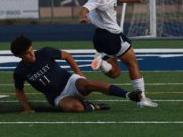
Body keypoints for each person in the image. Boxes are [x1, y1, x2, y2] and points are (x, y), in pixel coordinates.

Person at [79, 0, 158, 108]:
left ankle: (102, 63)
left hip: (99, 37)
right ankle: (142, 100)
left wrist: (136, 0)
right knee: (132, 63)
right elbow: (85, 7)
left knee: (114, 73)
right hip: (112, 36)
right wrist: (83, 16)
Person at [10, 35, 142, 113]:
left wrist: (79, 74)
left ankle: (128, 95)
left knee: (87, 83)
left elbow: (67, 56)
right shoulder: (20, 71)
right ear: (19, 56)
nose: (31, 54)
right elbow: (19, 90)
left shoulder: (45, 52)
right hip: (56, 97)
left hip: (70, 82)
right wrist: (27, 108)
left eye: (31, 50)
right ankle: (92, 106)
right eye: (27, 53)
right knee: (76, 108)